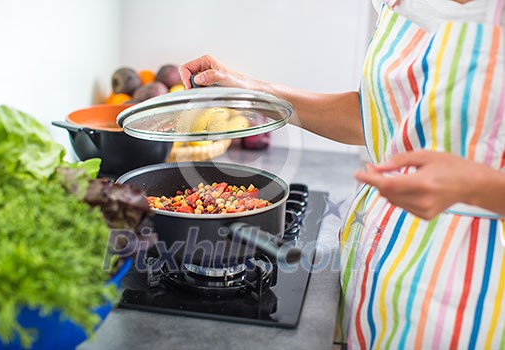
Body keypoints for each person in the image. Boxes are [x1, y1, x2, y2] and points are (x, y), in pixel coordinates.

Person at [179, 0, 505, 347]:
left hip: (472, 288)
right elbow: (373, 116)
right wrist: (251, 90)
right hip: (381, 261)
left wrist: (474, 187)